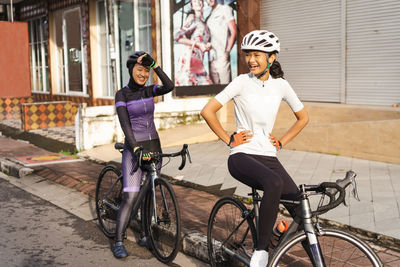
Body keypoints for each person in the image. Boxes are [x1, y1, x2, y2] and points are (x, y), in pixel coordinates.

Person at [201, 30, 309, 267]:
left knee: (301, 211)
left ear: (271, 58)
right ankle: (260, 252)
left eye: (257, 55)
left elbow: (303, 117)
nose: (251, 60)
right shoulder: (241, 81)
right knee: (274, 183)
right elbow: (208, 111)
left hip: (269, 156)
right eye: (249, 54)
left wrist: (281, 142)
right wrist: (228, 139)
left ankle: (313, 258)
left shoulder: (281, 85)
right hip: (242, 156)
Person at [113, 51, 174, 258]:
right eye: (140, 70)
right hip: (134, 150)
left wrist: (155, 65)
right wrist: (135, 147)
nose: (143, 74)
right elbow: (125, 124)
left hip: (154, 147)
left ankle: (145, 235)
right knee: (130, 196)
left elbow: (169, 86)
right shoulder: (122, 95)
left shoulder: (149, 91)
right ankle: (119, 240)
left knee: (149, 193)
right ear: (131, 70)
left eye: (146, 71)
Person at [174, 0, 213, 86]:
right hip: (189, 57)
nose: (198, 2)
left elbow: (202, 40)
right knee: (190, 85)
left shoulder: (203, 22)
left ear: (203, 4)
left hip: (198, 58)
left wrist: (208, 46)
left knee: (200, 87)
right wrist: (198, 44)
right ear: (192, 6)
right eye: (195, 1)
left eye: (200, 0)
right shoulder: (192, 17)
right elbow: (176, 36)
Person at [205, 0, 237, 84]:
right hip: (211, 57)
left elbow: (234, 31)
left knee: (226, 88)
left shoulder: (225, 9)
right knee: (214, 90)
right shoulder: (208, 14)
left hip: (222, 56)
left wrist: (227, 52)